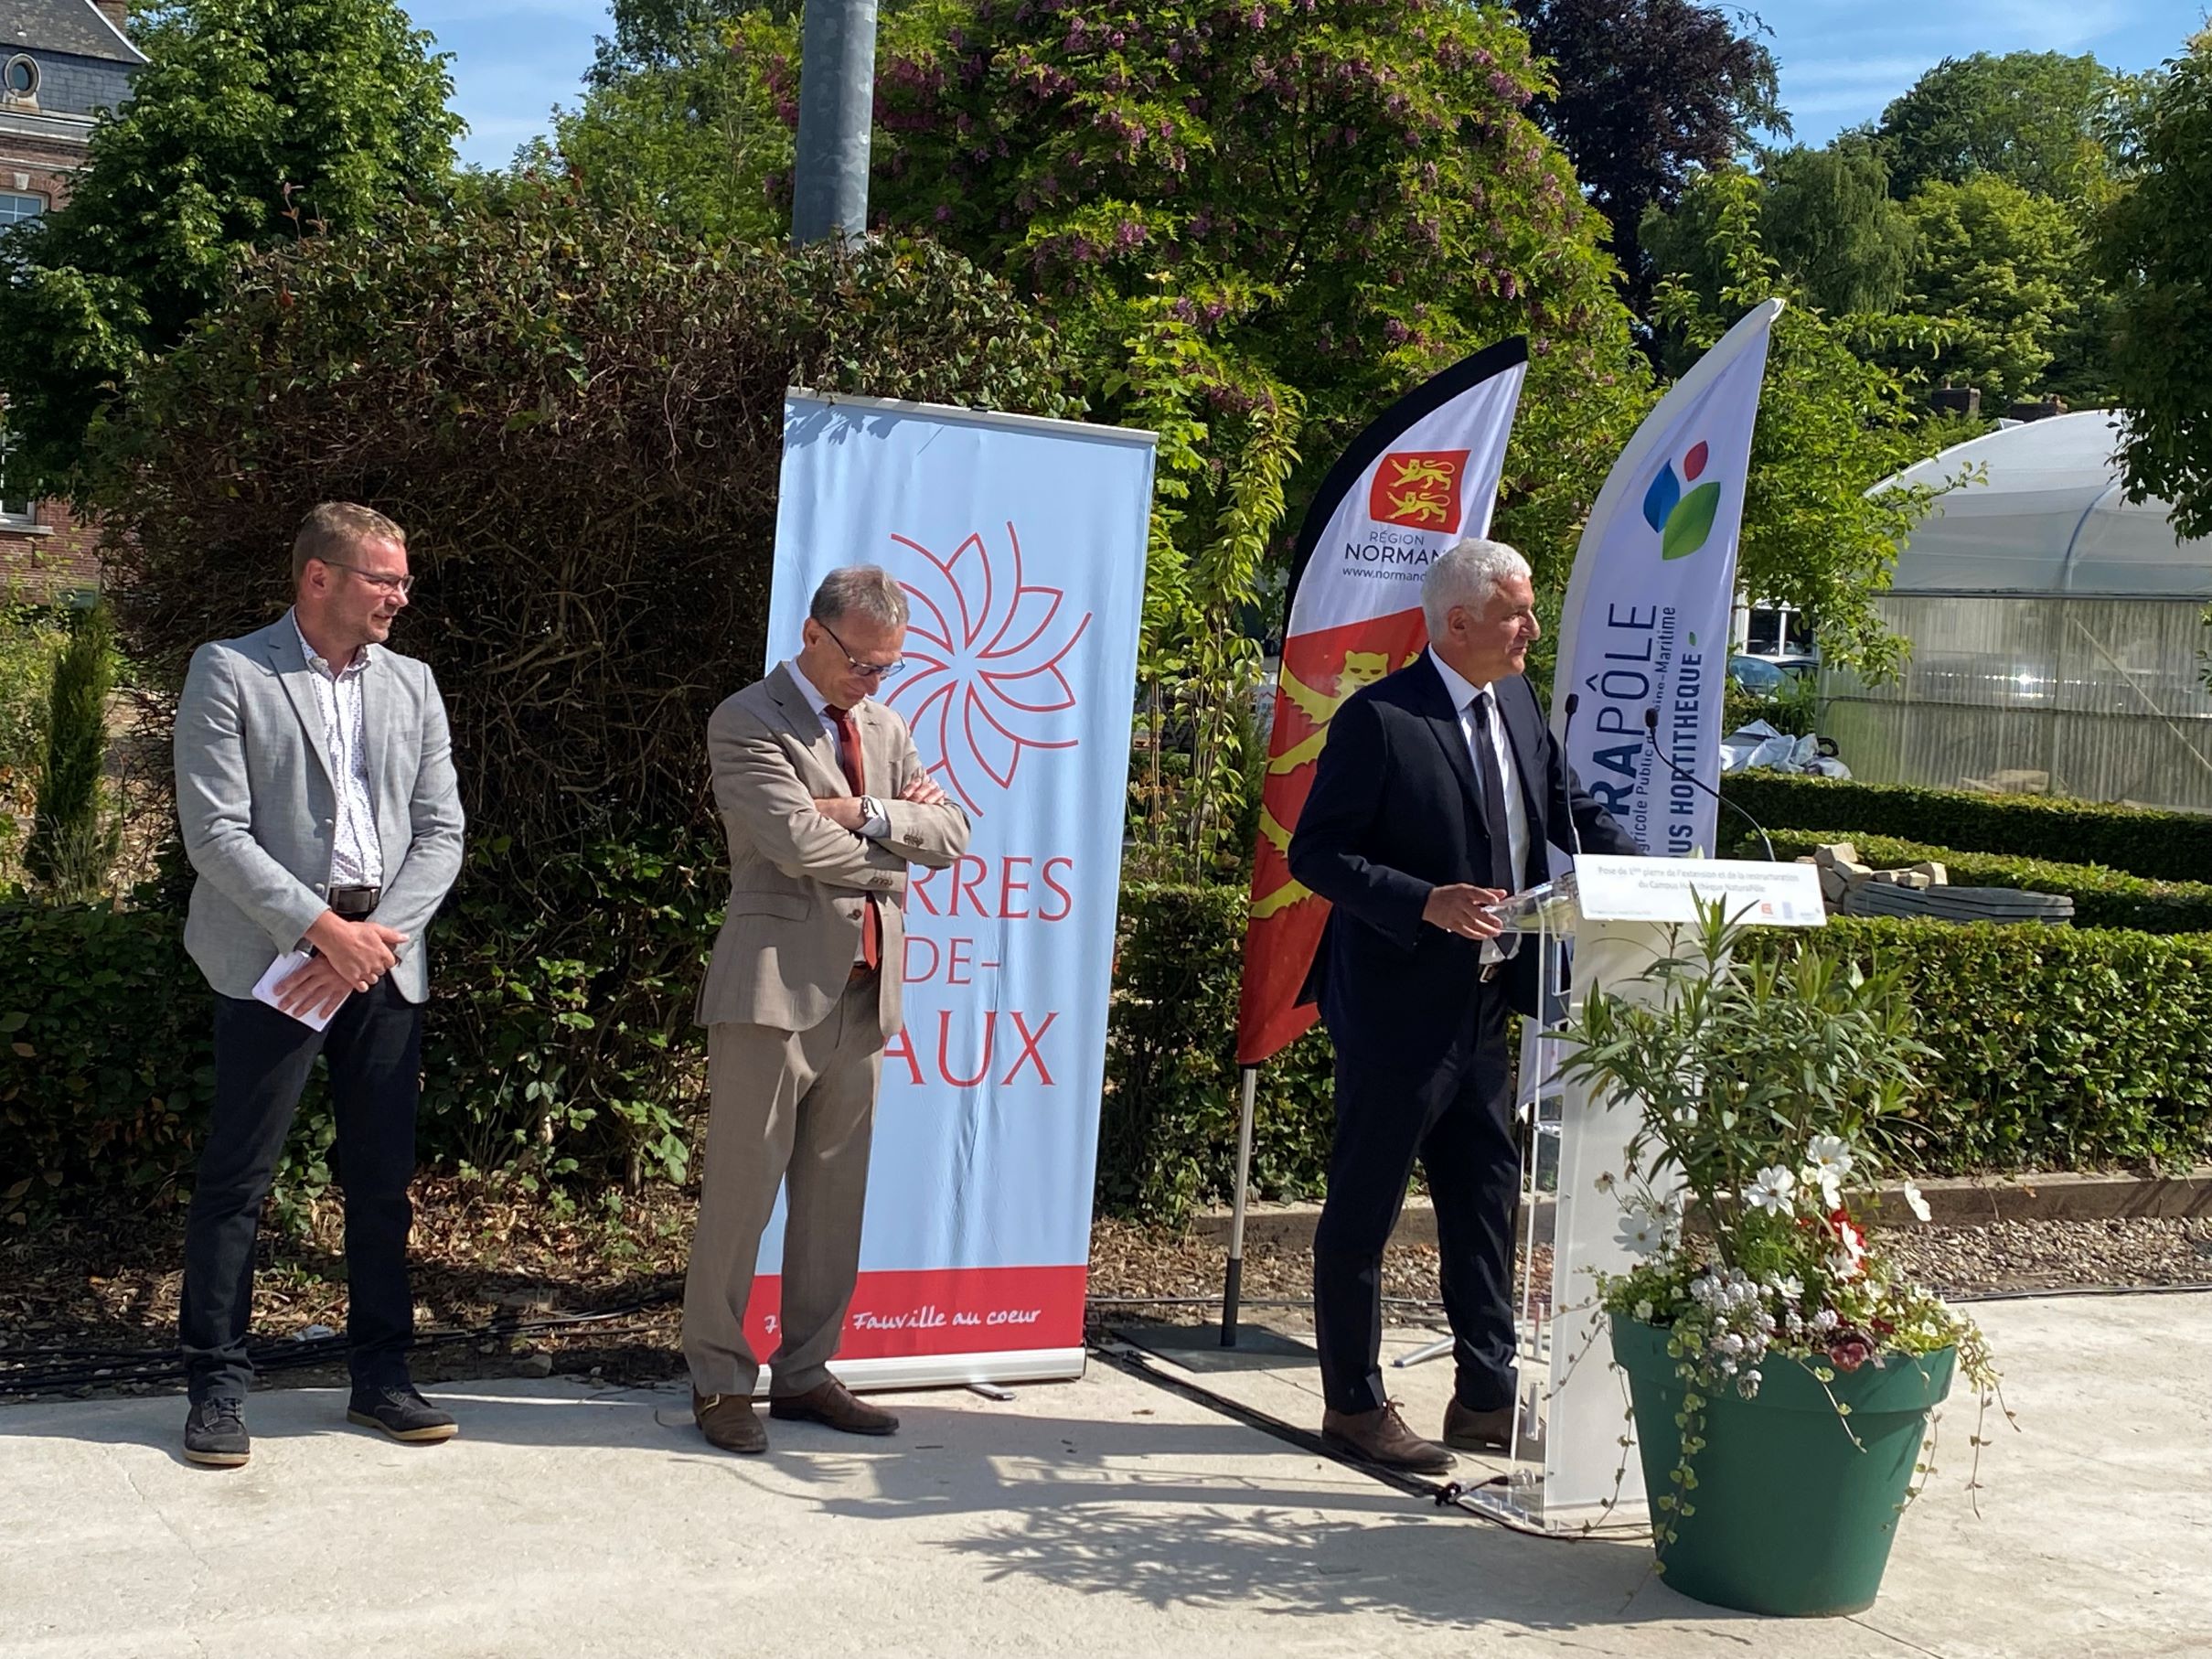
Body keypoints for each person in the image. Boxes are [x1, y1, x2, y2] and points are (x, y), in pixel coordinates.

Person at [1287, 536, 1640, 1472]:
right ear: (1458, 621)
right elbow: (1315, 854)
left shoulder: (1517, 701)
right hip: (1397, 1009)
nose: (1531, 628)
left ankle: (1485, 1396)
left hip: (1487, 1007)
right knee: (1362, 1211)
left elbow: (1562, 807)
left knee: (1484, 1204)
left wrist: (1647, 863)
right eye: (1518, 612)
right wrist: (1424, 900)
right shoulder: (1381, 720)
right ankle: (1353, 1403)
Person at [172, 502, 466, 1469]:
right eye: (384, 578)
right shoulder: (233, 670)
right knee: (239, 1179)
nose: (400, 595)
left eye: (403, 579)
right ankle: (217, 1385)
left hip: (381, 955)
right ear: (319, 578)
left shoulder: (413, 683)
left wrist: (376, 937)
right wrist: (320, 930)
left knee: (380, 1181)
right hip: (274, 955)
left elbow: (439, 829)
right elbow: (215, 831)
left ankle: (380, 1377)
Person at [681, 565, 969, 1454]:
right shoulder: (747, 719)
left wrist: (863, 807)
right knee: (740, 1198)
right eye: (862, 663)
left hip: (863, 994)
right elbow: (793, 841)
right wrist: (894, 847)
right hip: (771, 991)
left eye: (888, 667)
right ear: (814, 635)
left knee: (833, 1200)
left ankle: (804, 1371)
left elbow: (953, 834)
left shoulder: (885, 726)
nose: (874, 682)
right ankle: (722, 1381)